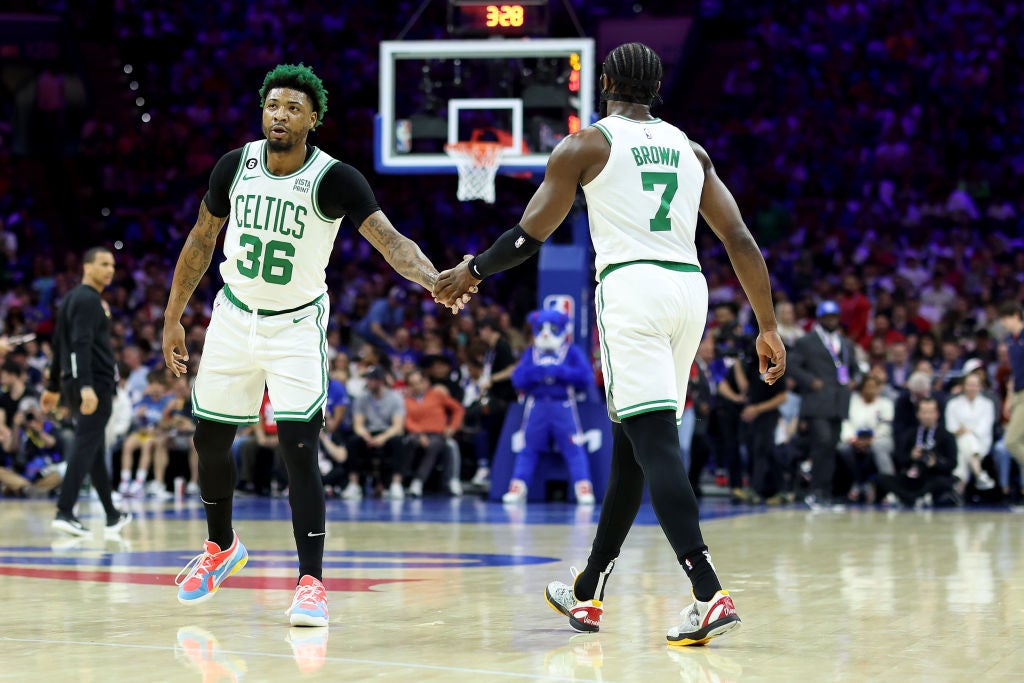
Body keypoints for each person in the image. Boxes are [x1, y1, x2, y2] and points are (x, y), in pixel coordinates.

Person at [434, 42, 786, 646]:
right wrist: (768, 325)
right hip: (688, 291)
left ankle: (707, 591)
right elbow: (741, 239)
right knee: (631, 446)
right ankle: (589, 590)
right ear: (657, 89)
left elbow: (528, 236)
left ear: (604, 84)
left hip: (632, 289)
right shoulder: (691, 150)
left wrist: (471, 270)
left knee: (653, 440)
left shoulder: (586, 144)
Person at [161, 64, 464, 626]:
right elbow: (202, 240)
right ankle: (221, 547)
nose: (280, 114)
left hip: (297, 325)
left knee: (298, 450)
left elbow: (391, 243)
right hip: (232, 318)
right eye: (273, 105)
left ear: (313, 120)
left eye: (293, 108)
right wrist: (173, 315)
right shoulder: (235, 166)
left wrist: (434, 280)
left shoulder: (335, 178)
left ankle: (310, 583)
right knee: (208, 441)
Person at [41, 247, 132, 537]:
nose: (110, 270)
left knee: (93, 447)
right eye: (104, 264)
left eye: (113, 265)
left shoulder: (70, 299)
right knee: (86, 443)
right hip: (94, 382)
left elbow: (58, 345)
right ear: (87, 266)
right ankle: (65, 511)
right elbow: (80, 343)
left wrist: (53, 385)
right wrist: (87, 386)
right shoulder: (89, 300)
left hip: (74, 381)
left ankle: (111, 515)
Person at [787, 300, 861, 509]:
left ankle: (826, 494)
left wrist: (855, 379)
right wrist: (810, 381)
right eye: (827, 317)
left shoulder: (845, 343)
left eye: (834, 317)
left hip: (838, 403)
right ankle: (816, 492)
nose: (831, 321)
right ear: (819, 319)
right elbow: (791, 366)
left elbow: (854, 368)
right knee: (822, 444)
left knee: (830, 447)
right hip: (817, 403)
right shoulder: (806, 342)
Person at [997, 302, 1024, 485]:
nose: (1004, 324)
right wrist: (1009, 398)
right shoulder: (1010, 340)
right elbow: (1015, 371)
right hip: (1017, 393)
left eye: (1005, 319)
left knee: (1011, 441)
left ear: (1016, 316)